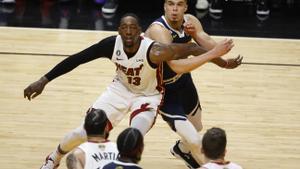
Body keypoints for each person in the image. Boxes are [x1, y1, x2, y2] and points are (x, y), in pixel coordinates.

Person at [24, 13, 233, 169]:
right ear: (119, 31)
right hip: (119, 91)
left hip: (148, 97)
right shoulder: (110, 45)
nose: (129, 32)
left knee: (133, 137)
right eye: (125, 28)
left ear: (139, 31)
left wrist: (218, 58)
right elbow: (77, 59)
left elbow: (191, 49)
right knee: (82, 132)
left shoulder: (154, 50)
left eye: (133, 28)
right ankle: (54, 157)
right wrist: (44, 80)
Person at [145, 0, 243, 168]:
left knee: (197, 126)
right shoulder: (158, 30)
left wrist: (197, 36)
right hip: (162, 90)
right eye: (170, 4)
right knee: (195, 140)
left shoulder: (191, 21)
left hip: (183, 82)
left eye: (179, 4)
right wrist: (214, 55)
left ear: (186, 7)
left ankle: (181, 150)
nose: (174, 9)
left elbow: (212, 45)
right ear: (164, 6)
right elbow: (175, 66)